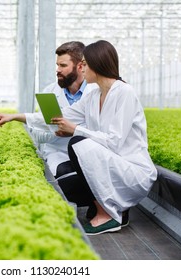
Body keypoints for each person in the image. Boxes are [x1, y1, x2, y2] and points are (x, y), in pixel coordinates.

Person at [49, 40, 158, 235]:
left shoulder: (124, 92)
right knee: (65, 184)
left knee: (77, 144)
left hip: (131, 169)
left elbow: (114, 142)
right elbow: (61, 116)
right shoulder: (93, 96)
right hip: (110, 166)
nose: (81, 69)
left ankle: (109, 214)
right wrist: (17, 117)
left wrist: (75, 130)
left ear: (97, 64)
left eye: (85, 64)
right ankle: (119, 211)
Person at [0, 41, 97, 212]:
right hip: (59, 152)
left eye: (63, 65)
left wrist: (74, 130)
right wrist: (57, 133)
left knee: (95, 176)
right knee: (67, 177)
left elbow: (101, 129)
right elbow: (38, 131)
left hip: (90, 152)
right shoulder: (49, 93)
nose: (57, 70)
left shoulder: (95, 92)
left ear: (80, 66)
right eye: (57, 65)